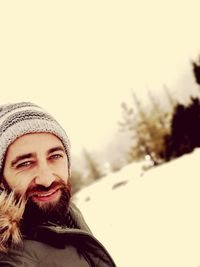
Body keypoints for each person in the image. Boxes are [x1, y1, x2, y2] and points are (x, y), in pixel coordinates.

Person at [0, 102, 116, 267]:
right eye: (25, 163)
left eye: (54, 156)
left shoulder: (68, 215)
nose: (46, 180)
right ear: (1, 180)